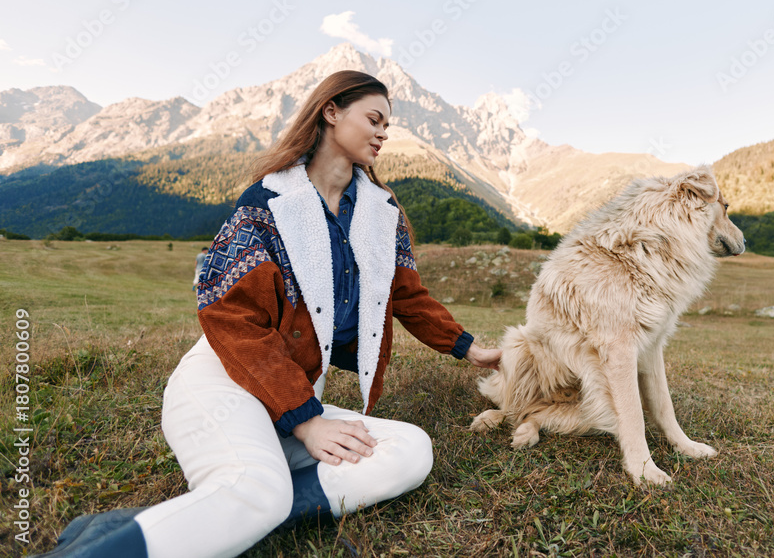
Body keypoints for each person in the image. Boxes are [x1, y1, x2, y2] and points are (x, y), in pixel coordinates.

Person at [36, 70, 502, 558]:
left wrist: (470, 348)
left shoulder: (382, 213)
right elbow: (228, 318)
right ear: (331, 112)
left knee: (409, 451)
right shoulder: (268, 203)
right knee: (261, 489)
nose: (385, 132)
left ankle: (138, 526)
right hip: (225, 384)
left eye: (388, 123)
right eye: (374, 118)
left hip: (293, 396)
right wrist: (307, 421)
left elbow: (406, 295)